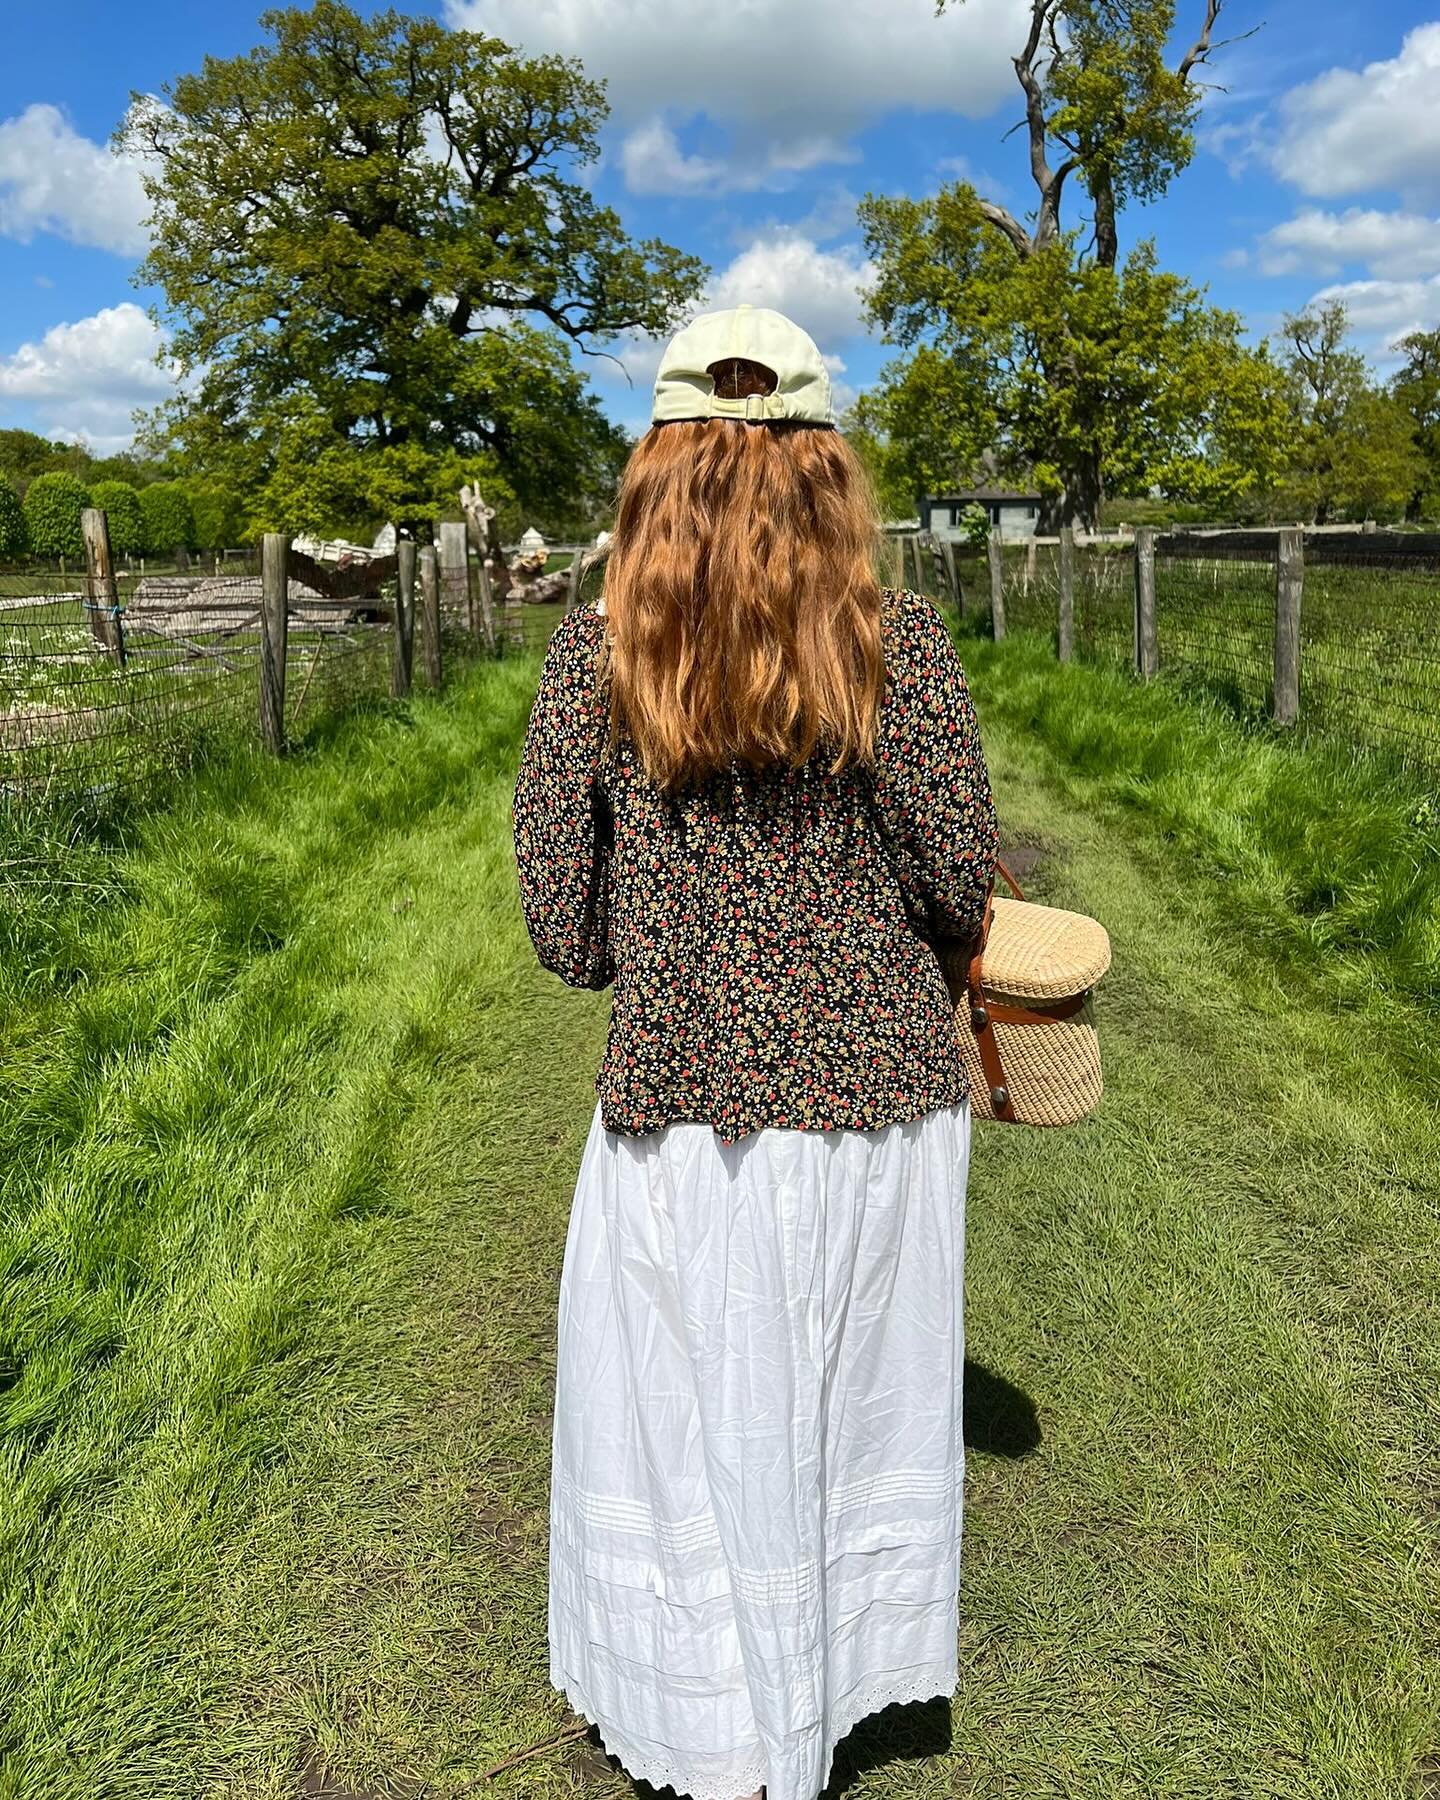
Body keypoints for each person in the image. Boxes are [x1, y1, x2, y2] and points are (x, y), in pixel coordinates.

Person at [512, 303, 999, 1800]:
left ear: (654, 467)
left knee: (690, 1433)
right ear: (828, 470)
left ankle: (712, 1722)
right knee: (840, 1409)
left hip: (680, 1099)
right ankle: (812, 1705)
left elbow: (563, 926)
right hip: (876, 1105)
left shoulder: (590, 661)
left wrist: (670, 939)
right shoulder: (894, 644)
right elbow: (958, 872)